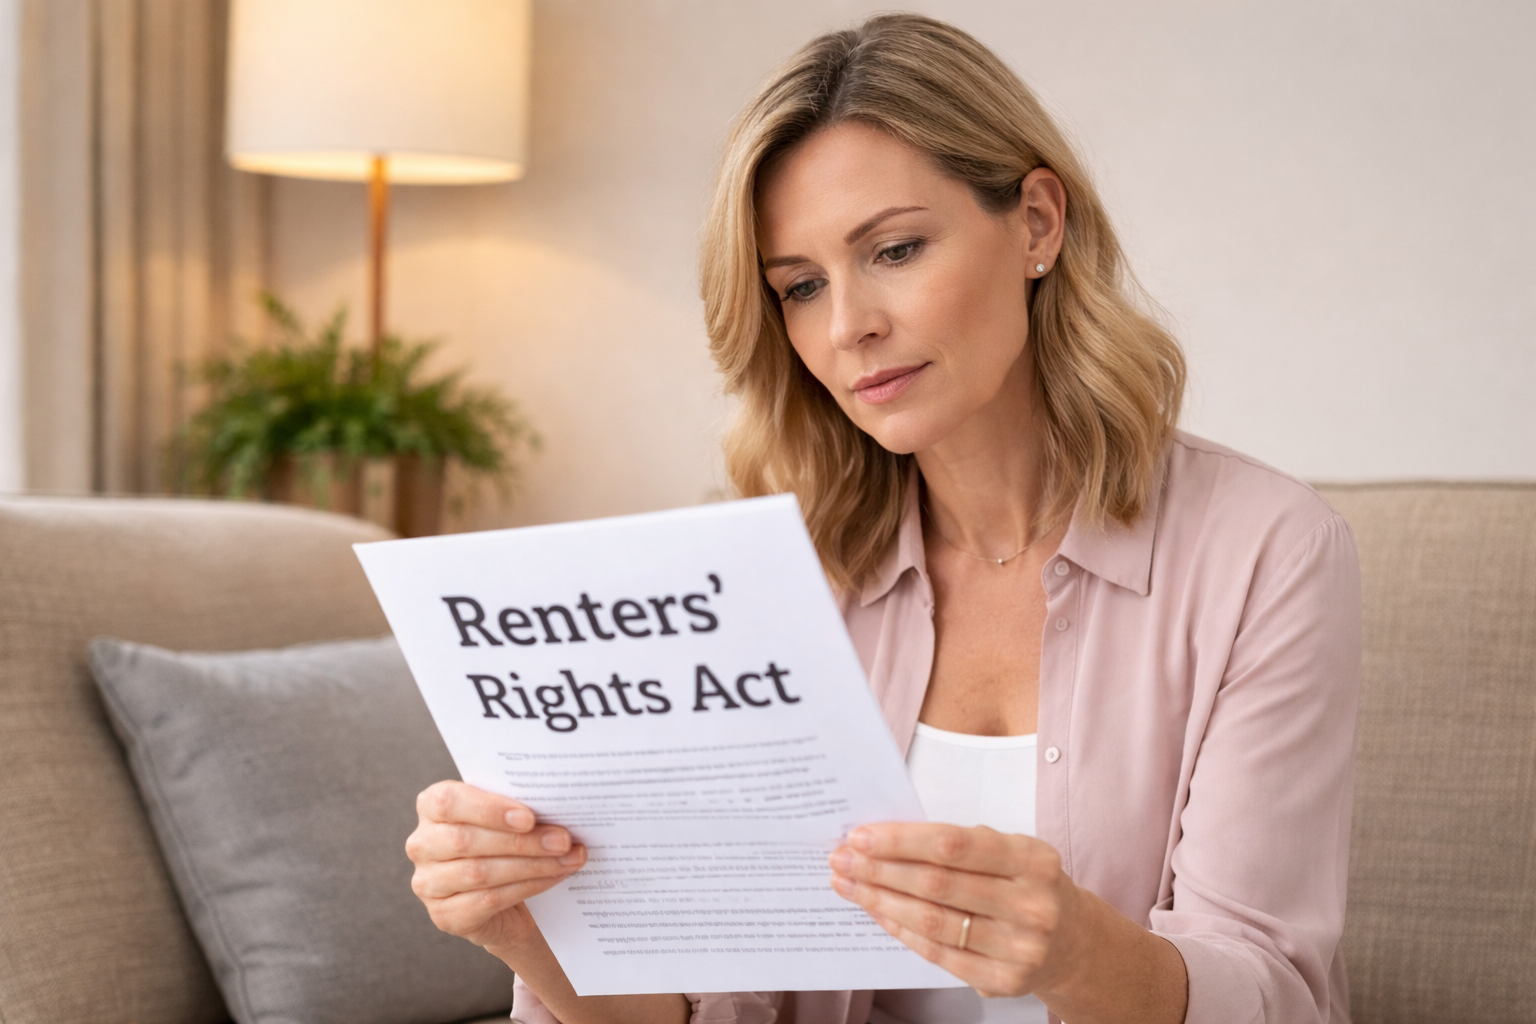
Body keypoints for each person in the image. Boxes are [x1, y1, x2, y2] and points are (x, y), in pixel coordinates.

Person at [404, 14, 1361, 1024]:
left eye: (895, 249)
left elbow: (1276, 993)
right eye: (801, 287)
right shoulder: (771, 572)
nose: (848, 324)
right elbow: (721, 1009)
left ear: (1037, 222)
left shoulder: (1266, 551)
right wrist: (536, 936)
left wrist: (1079, 951)